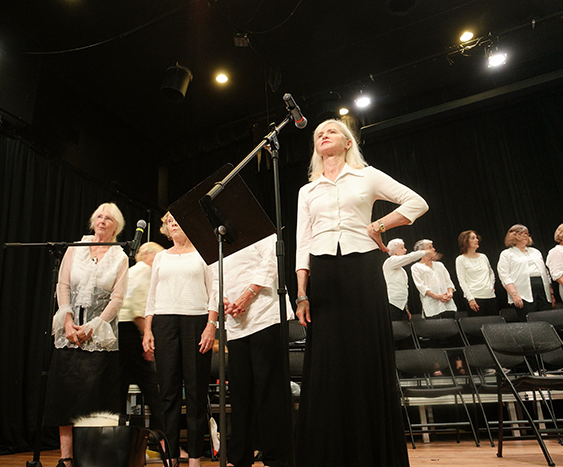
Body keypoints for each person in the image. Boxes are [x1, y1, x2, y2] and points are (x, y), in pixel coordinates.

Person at [294, 118, 428, 467]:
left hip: (363, 268)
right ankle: (328, 453)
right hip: (323, 274)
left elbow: (417, 203)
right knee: (327, 360)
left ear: (348, 142)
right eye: (319, 133)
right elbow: (302, 244)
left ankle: (374, 451)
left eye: (332, 131)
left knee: (366, 353)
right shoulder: (307, 191)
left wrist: (380, 224)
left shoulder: (367, 175)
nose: (324, 135)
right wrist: (301, 293)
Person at [44, 202, 130, 467]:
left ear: (117, 226)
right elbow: (63, 285)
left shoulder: (120, 257)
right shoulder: (76, 248)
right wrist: (67, 322)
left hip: (100, 335)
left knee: (94, 399)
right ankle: (66, 458)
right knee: (65, 397)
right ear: (93, 221)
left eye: (109, 218)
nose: (103, 221)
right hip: (69, 331)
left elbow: (117, 299)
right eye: (99, 216)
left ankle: (91, 458)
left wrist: (92, 327)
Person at [212, 234, 294, 467]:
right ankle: (239, 457)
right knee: (240, 391)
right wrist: (224, 299)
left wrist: (248, 294)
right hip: (236, 323)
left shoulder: (258, 229)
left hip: (265, 314)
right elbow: (214, 277)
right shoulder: (216, 239)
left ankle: (276, 457)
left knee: (269, 388)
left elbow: (272, 262)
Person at [142, 213, 217, 467]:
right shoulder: (161, 257)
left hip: (196, 321)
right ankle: (171, 456)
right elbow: (152, 296)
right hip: (164, 323)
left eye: (177, 220)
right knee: (169, 394)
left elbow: (214, 292)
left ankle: (195, 457)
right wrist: (148, 330)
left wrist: (210, 326)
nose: (173, 225)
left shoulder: (203, 254)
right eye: (169, 222)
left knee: (196, 393)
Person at [116, 241, 165, 429]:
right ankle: (163, 439)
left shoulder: (132, 271)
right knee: (151, 386)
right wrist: (147, 338)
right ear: (148, 255)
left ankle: (118, 436)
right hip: (131, 331)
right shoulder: (144, 271)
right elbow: (138, 309)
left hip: (121, 330)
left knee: (121, 385)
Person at [497, 224, 554, 321]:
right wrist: (514, 294)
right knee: (529, 320)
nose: (525, 236)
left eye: (527, 233)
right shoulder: (507, 254)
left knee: (546, 319)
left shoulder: (535, 251)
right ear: (513, 236)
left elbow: (546, 272)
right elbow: (504, 275)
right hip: (522, 292)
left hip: (542, 290)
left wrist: (551, 293)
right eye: (521, 233)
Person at [455, 230, 498, 316]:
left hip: (490, 295)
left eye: (476, 238)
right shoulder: (460, 259)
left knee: (494, 323)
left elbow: (491, 273)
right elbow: (462, 281)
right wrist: (470, 299)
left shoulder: (483, 256)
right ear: (465, 241)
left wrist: (491, 285)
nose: (477, 240)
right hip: (475, 297)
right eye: (473, 238)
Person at [411, 239, 457, 319]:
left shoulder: (439, 265)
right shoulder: (416, 267)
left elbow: (448, 281)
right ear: (421, 251)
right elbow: (421, 287)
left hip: (447, 303)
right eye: (430, 247)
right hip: (431, 305)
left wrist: (450, 294)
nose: (434, 249)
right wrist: (436, 296)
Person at [383, 238, 426, 321]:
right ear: (394, 252)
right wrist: (423, 252)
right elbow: (409, 258)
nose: (405, 250)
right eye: (402, 248)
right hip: (392, 305)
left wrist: (406, 308)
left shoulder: (401, 270)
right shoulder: (390, 261)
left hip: (402, 306)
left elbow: (403, 289)